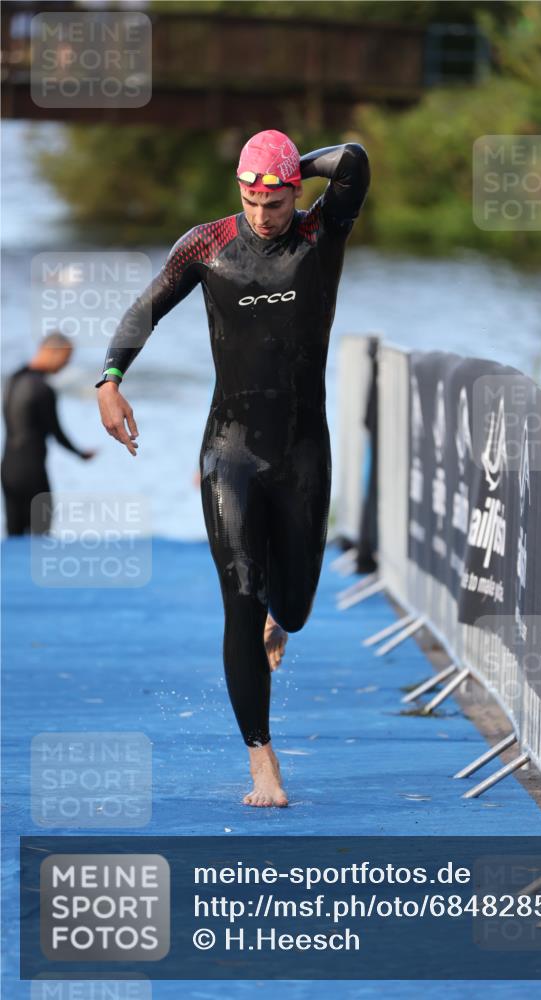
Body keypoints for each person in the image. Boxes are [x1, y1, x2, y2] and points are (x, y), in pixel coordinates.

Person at [95, 129, 370, 808]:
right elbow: (145, 308)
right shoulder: (207, 244)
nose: (261, 215)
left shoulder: (321, 234)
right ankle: (262, 760)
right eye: (250, 200)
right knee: (241, 597)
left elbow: (353, 161)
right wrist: (109, 379)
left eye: (274, 202)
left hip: (302, 452)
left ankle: (280, 617)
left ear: (294, 193)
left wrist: (289, 165)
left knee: (292, 609)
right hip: (230, 450)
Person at [2, 332, 96, 536]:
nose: (65, 365)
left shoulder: (13, 379)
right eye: (66, 358)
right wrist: (80, 453)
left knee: (14, 534)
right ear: (50, 352)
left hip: (8, 468)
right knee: (40, 534)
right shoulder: (43, 389)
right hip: (32, 471)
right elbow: (56, 431)